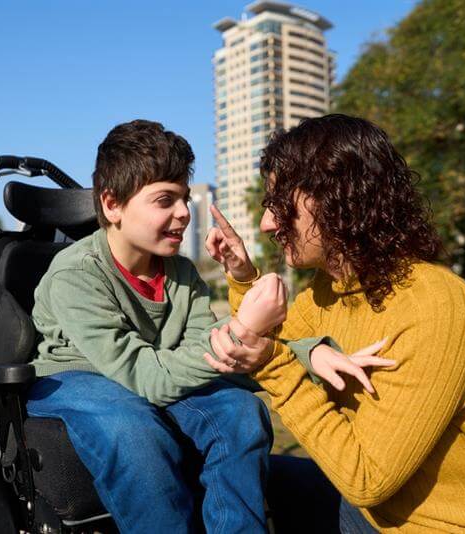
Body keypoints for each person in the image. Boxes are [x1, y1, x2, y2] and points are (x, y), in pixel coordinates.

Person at [204, 114, 465, 532]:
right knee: (238, 476)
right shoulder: (326, 291)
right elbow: (274, 337)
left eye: (280, 206)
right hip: (378, 517)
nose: (267, 224)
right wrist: (243, 279)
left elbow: (369, 480)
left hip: (457, 525)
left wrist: (273, 365)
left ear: (338, 198)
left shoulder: (435, 305)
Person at [26, 119, 288, 533]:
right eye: (165, 200)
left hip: (155, 373)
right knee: (133, 431)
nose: (184, 212)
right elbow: (150, 377)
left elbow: (201, 349)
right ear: (112, 205)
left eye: (184, 198)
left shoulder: (182, 274)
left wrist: (307, 352)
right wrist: (241, 332)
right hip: (76, 378)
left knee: (240, 413)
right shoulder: (74, 275)